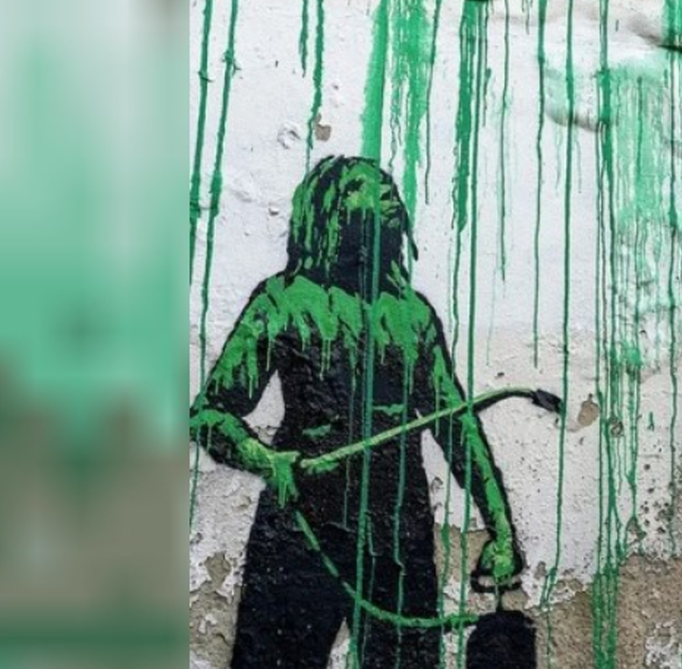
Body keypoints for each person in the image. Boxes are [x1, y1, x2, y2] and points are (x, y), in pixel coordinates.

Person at [191, 156, 526, 669]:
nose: (387, 191)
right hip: (300, 529)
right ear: (328, 209)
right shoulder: (281, 303)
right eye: (363, 187)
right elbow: (210, 414)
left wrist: (501, 528)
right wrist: (264, 459)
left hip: (397, 534)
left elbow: (456, 427)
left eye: (386, 185)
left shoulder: (411, 316)